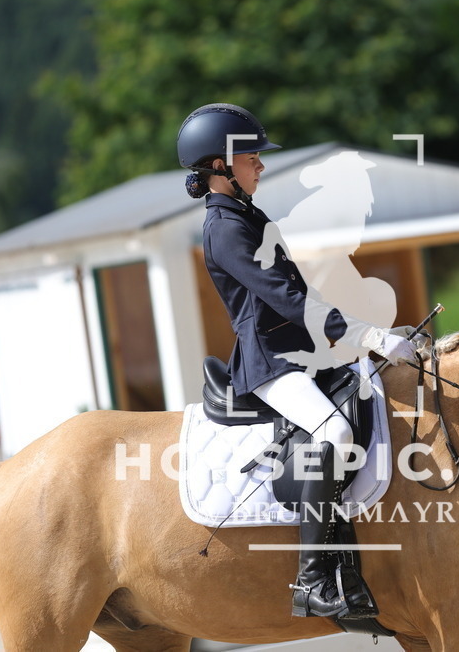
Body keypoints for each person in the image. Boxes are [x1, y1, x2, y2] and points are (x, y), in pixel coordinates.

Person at [177, 103, 417, 619]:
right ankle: (311, 579)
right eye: (251, 156)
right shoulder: (224, 228)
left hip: (303, 355)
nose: (260, 164)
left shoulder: (248, 216)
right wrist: (368, 334)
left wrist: (357, 340)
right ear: (219, 165)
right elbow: (287, 300)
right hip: (271, 364)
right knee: (335, 435)